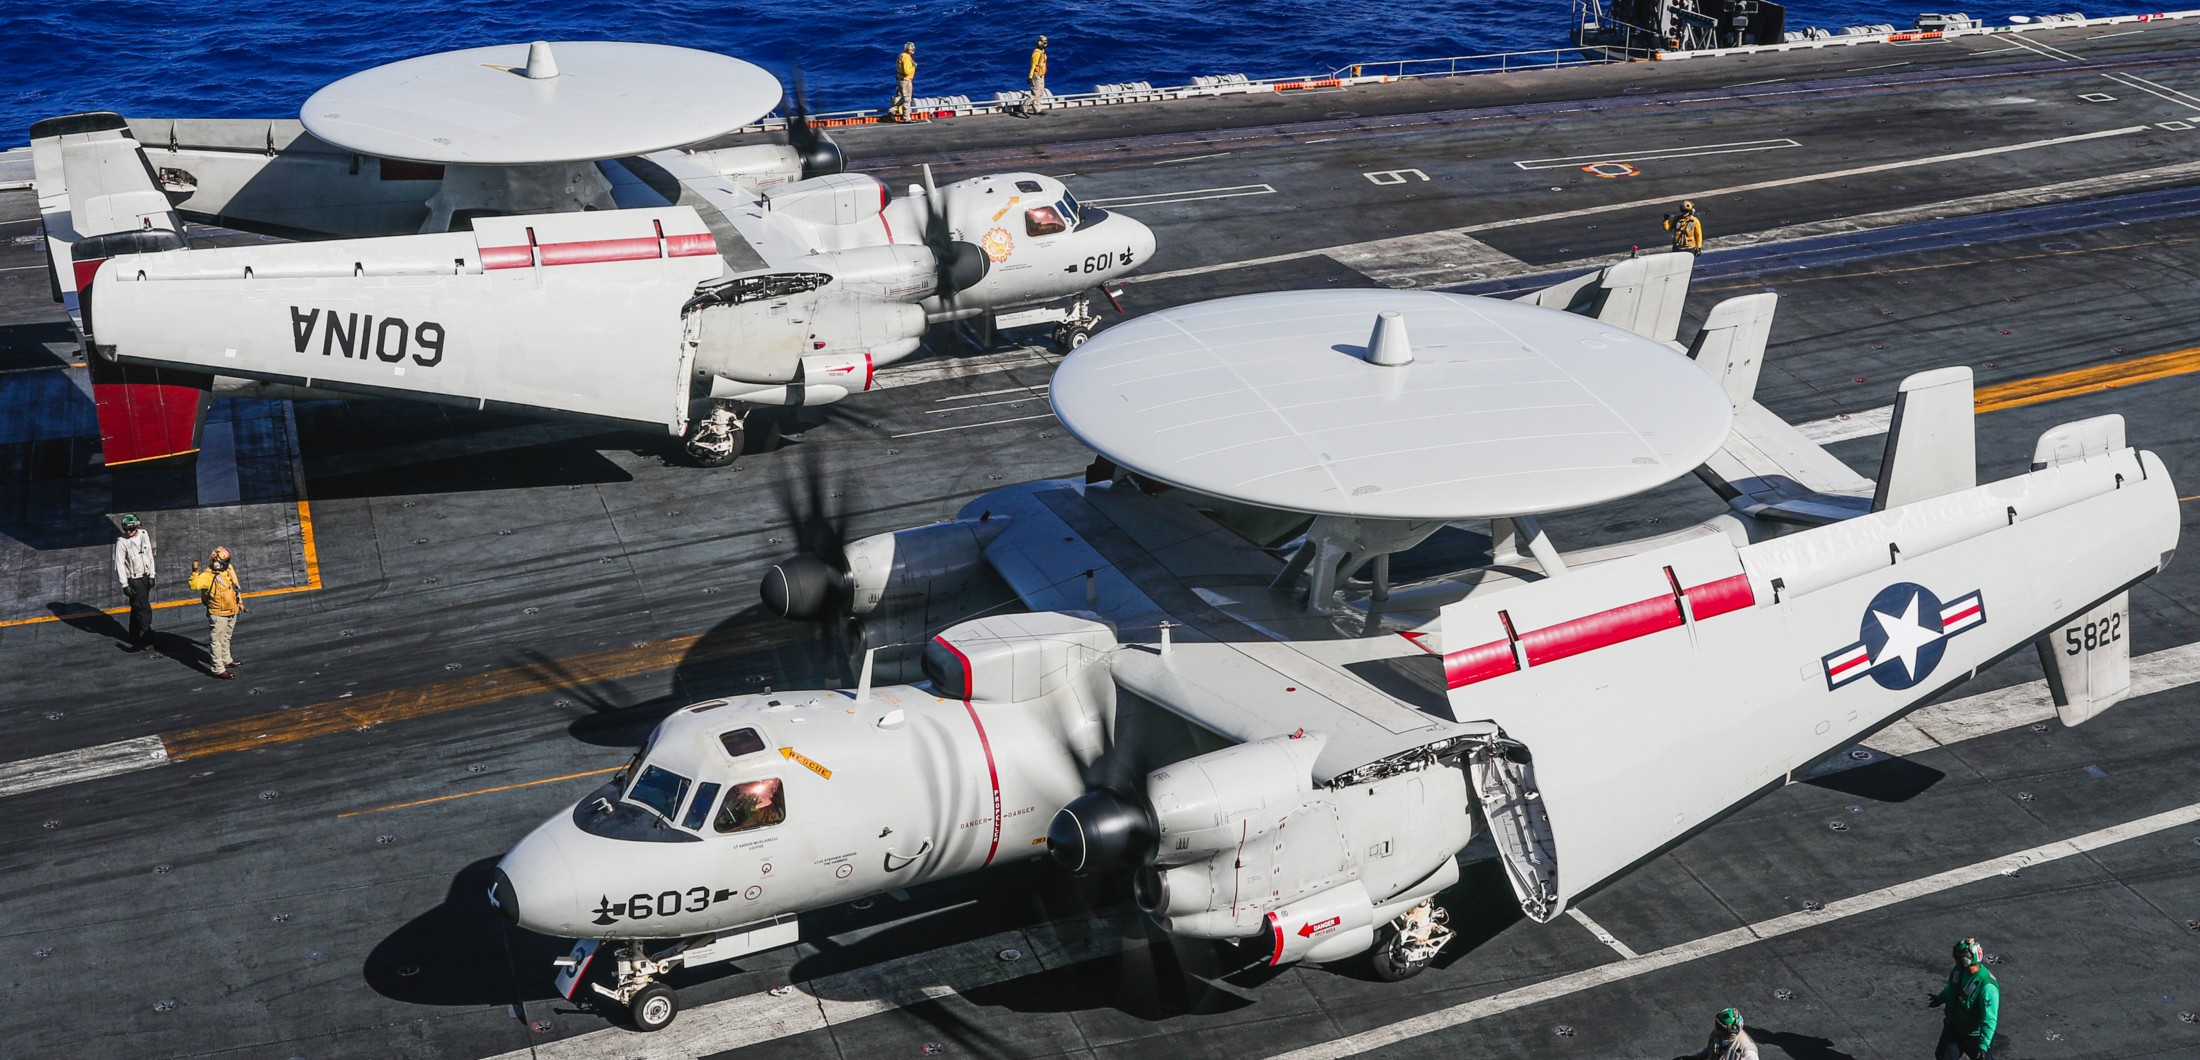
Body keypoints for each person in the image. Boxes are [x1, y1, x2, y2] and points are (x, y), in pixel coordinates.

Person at [1928, 937, 1999, 1059]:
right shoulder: (1959, 971)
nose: (1956, 961)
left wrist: (1983, 1046)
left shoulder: (1987, 987)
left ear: (1966, 960)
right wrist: (1940, 999)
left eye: (1958, 958)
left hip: (1975, 1037)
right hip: (1954, 1029)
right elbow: (1952, 989)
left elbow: (1989, 1019)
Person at [187, 546, 245, 679]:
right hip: (218, 614)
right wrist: (195, 571)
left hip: (232, 610)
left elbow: (235, 587)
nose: (227, 565)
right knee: (217, 641)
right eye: (224, 563)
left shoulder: (228, 569)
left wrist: (240, 603)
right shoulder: (207, 576)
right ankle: (218, 669)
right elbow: (194, 585)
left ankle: (227, 659)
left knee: (227, 637)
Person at [113, 513, 157, 652]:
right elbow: (119, 564)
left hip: (145, 576)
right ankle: (147, 639)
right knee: (144, 609)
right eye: (126, 529)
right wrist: (124, 584)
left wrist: (152, 574)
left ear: (138, 526)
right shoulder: (122, 542)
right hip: (134, 579)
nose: (129, 532)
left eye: (131, 529)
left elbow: (149, 554)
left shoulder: (144, 534)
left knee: (136, 607)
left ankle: (133, 635)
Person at [1686, 1007, 1759, 1060]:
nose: (1717, 1029)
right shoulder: (1716, 1034)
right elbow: (1710, 1050)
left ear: (1731, 1031)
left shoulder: (1748, 1051)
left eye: (1720, 1027)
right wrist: (1694, 1057)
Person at [1023, 35, 1051, 117]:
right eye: (1044, 43)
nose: (1045, 44)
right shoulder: (1037, 53)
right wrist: (1030, 77)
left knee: (1040, 93)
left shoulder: (1042, 52)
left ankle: (1037, 109)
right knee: (1034, 94)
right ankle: (1024, 108)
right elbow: (1033, 65)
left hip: (1041, 75)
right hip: (1036, 76)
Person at [892, 42, 918, 122]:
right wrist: (913, 66)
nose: (913, 50)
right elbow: (907, 71)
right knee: (907, 99)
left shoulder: (901, 55)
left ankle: (892, 110)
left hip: (900, 79)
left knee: (904, 98)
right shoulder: (906, 58)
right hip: (905, 80)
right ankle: (906, 118)